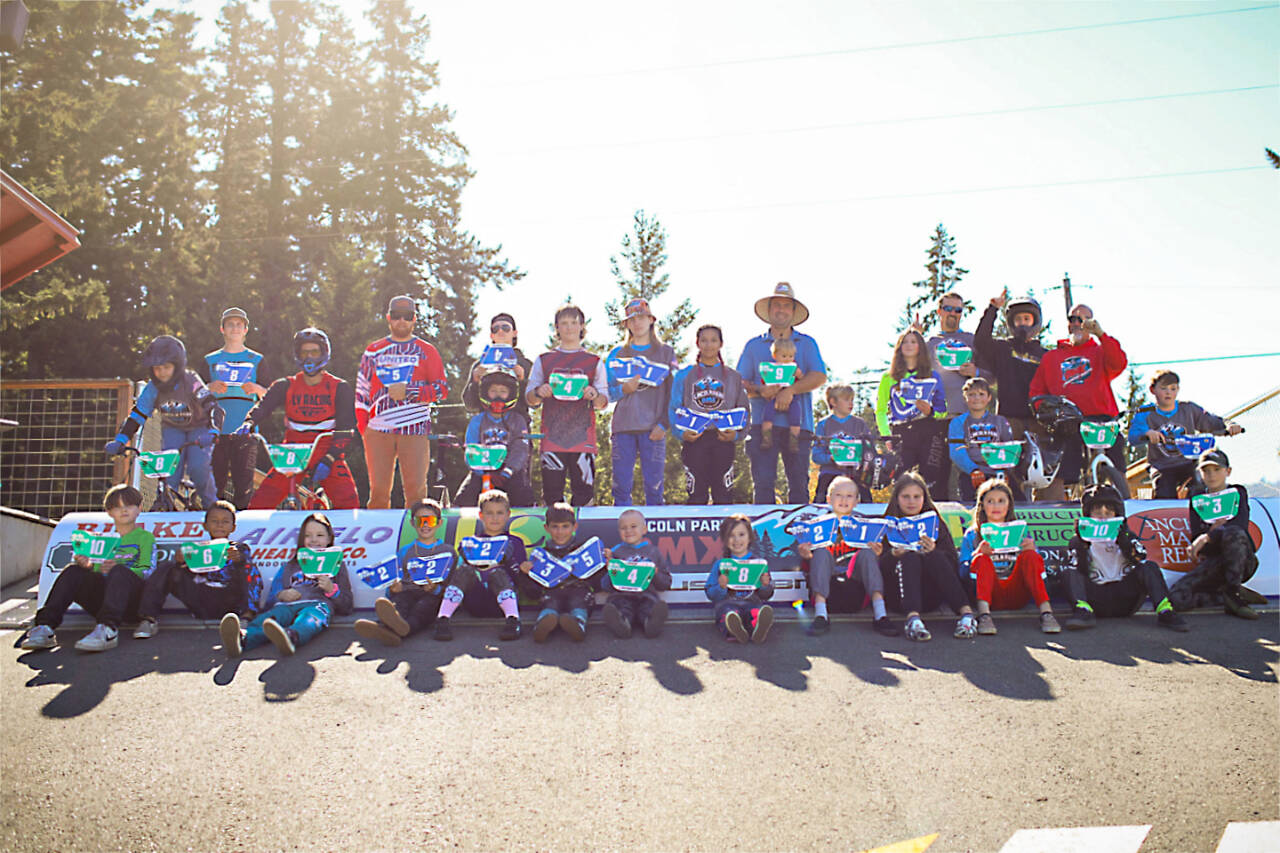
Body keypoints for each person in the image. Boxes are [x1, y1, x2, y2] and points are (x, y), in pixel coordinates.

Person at [21, 485, 155, 652]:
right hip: (104, 600)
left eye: (129, 505)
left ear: (139, 508)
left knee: (119, 571)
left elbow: (148, 571)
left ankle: (107, 630)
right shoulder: (100, 539)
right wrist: (89, 566)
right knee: (74, 570)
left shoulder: (145, 537)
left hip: (132, 603)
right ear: (109, 512)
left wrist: (118, 568)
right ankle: (45, 628)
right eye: (117, 506)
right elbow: (95, 573)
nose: (124, 510)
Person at [241, 327, 359, 510]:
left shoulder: (339, 387)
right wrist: (249, 422)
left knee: (348, 501)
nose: (309, 358)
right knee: (261, 501)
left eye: (314, 352)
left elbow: (346, 428)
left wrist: (330, 458)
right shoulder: (285, 385)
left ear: (324, 353)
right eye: (304, 353)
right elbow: (263, 407)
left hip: (326, 450)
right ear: (297, 355)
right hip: (292, 451)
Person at [104, 335, 224, 508]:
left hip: (199, 428)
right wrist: (121, 440)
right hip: (173, 428)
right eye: (157, 368)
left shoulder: (191, 380)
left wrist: (213, 431)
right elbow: (137, 415)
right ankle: (165, 504)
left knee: (198, 467)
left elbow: (213, 407)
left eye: (166, 367)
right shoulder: (153, 388)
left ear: (177, 366)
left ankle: (211, 506)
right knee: (168, 471)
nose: (161, 373)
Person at [736, 282, 828, 504]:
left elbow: (819, 376)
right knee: (763, 484)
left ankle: (800, 527)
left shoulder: (807, 343)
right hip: (761, 425)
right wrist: (761, 390)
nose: (781, 310)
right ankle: (763, 527)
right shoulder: (754, 345)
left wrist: (791, 391)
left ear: (794, 312)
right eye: (776, 304)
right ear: (769, 310)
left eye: (787, 305)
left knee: (799, 485)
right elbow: (739, 382)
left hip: (799, 425)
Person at [356, 295, 449, 509]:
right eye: (397, 316)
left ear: (414, 319)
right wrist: (364, 429)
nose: (401, 321)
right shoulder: (373, 350)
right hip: (378, 430)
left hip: (414, 428)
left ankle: (417, 530)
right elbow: (361, 392)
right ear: (388, 318)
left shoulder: (427, 350)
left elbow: (441, 390)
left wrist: (410, 392)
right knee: (378, 493)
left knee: (416, 492)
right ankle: (378, 531)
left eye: (407, 316)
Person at [1028, 303, 1127, 499]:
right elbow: (1037, 390)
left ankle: (1125, 503)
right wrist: (1044, 411)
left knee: (1116, 458)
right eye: (1073, 319)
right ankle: (1056, 508)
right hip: (1067, 419)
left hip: (1101, 418)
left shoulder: (1100, 351)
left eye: (1084, 320)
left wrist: (1101, 335)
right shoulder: (1052, 357)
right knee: (1061, 463)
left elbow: (1119, 363)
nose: (1078, 323)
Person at [219, 512, 353, 657]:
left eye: (320, 535)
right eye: (308, 535)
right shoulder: (290, 565)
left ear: (329, 539)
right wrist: (281, 595)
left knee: (310, 618)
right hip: (287, 606)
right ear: (302, 539)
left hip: (317, 604)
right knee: (271, 618)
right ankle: (243, 638)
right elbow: (272, 596)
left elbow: (347, 606)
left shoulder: (336, 565)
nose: (314, 540)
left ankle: (291, 637)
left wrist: (332, 590)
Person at [1060, 485, 1189, 632]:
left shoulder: (1127, 535)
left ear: (1117, 513)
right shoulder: (1077, 541)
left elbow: (1140, 557)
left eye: (1108, 512)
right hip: (1096, 600)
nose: (1103, 516)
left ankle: (1165, 611)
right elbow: (1078, 569)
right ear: (1088, 514)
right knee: (1067, 571)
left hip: (1125, 598)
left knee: (1149, 566)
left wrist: (1124, 541)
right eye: (1097, 512)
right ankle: (1082, 610)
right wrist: (1082, 543)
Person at [132, 500, 262, 638]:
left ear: (233, 527)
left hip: (230, 603)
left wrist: (238, 559)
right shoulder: (196, 549)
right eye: (214, 521)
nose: (219, 525)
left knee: (249, 566)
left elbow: (245, 564)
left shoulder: (239, 548)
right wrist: (181, 561)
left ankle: (247, 619)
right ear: (205, 525)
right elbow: (185, 574)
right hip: (202, 599)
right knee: (168, 567)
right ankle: (148, 620)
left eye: (225, 522)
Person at [878, 472, 978, 641]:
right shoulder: (887, 524)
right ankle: (913, 621)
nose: (911, 501)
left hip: (932, 595)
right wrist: (893, 555)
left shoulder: (935, 523)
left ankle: (967, 615)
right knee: (910, 557)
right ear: (897, 498)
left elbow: (952, 563)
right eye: (906, 497)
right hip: (899, 596)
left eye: (917, 497)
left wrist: (933, 550)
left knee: (935, 555)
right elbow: (879, 568)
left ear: (924, 498)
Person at [525, 304, 609, 507]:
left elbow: (603, 403)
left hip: (583, 439)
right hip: (552, 438)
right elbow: (529, 399)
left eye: (574, 322)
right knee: (552, 495)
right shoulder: (544, 360)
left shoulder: (594, 361)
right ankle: (554, 529)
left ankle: (582, 529)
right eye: (564, 323)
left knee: (584, 495)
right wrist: (539, 392)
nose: (569, 327)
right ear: (557, 328)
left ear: (582, 326)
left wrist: (594, 394)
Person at [795, 476, 898, 637]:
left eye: (849, 496)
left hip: (855, 592)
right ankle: (820, 616)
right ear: (829, 499)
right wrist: (807, 557)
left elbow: (874, 564)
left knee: (867, 553)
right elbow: (808, 568)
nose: (844, 500)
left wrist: (877, 555)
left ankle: (880, 614)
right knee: (821, 552)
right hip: (828, 592)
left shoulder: (864, 527)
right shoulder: (817, 526)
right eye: (839, 495)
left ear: (857, 501)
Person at [1168, 449, 1264, 619]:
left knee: (1233, 534)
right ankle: (1225, 595)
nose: (1211, 475)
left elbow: (1238, 526)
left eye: (1217, 469)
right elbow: (1198, 542)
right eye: (1206, 471)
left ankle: (1234, 596)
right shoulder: (1198, 498)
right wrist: (1209, 536)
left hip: (1243, 561)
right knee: (1176, 599)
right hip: (1216, 562)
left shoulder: (1237, 492)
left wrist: (1209, 536)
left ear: (1228, 471)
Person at [960, 480, 1060, 635]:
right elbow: (962, 572)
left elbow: (1039, 567)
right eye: (990, 501)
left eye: (1001, 501)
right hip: (987, 593)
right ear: (982, 506)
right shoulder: (972, 534)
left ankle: (1047, 613)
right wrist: (977, 553)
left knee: (1031, 556)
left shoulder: (1020, 531)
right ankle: (984, 616)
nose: (996, 506)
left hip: (1016, 592)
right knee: (981, 559)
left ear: (1009, 505)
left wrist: (1033, 550)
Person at [606, 298, 677, 506]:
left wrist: (664, 423)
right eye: (632, 319)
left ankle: (655, 525)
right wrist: (623, 390)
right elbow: (606, 393)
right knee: (621, 487)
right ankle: (621, 524)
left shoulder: (666, 353)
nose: (637, 323)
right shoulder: (617, 354)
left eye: (641, 318)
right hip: (623, 427)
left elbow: (674, 392)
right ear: (626, 324)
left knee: (655, 487)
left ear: (651, 320)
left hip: (653, 429)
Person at [1128, 369, 1241, 499]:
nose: (1168, 392)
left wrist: (1229, 426)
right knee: (1164, 491)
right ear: (1153, 390)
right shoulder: (1146, 412)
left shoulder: (1188, 409)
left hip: (1189, 463)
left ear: (1178, 390)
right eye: (1163, 388)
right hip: (1161, 465)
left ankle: (1202, 509)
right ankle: (1168, 510)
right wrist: (1147, 432)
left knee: (1199, 485)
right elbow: (1133, 435)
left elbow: (1210, 421)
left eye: (1173, 388)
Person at [354, 499, 453, 646]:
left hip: (432, 596)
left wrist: (436, 589)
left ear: (439, 523)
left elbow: (452, 586)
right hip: (407, 592)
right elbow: (395, 579)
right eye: (420, 521)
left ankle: (394, 629)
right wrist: (393, 589)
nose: (425, 525)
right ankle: (389, 628)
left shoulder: (448, 551)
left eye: (430, 521)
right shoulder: (405, 551)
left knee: (424, 607)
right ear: (412, 523)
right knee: (400, 602)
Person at [670, 324, 749, 505]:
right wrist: (681, 433)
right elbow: (674, 408)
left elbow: (744, 410)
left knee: (724, 493)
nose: (709, 345)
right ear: (697, 343)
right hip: (695, 438)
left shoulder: (733, 377)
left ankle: (726, 523)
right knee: (696, 493)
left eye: (713, 340)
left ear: (721, 344)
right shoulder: (684, 375)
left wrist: (736, 435)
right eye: (704, 340)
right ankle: (696, 524)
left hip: (723, 438)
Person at [928, 292, 990, 498]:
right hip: (938, 418)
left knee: (972, 474)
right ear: (939, 311)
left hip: (969, 419)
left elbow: (993, 377)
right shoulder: (930, 343)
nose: (953, 313)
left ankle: (975, 512)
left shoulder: (972, 341)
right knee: (937, 476)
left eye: (958, 310)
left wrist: (976, 372)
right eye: (948, 308)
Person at [204, 307, 267, 508]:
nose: (235, 328)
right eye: (230, 324)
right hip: (215, 431)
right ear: (222, 329)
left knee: (244, 487)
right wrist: (209, 387)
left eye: (239, 325)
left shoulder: (257, 360)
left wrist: (257, 388)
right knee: (214, 486)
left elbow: (271, 395)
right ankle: (213, 524)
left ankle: (241, 525)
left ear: (246, 329)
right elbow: (193, 393)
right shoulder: (210, 360)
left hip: (245, 430)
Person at [875, 328, 948, 498]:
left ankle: (930, 510)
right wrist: (886, 436)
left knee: (930, 479)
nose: (909, 345)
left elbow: (943, 410)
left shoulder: (933, 376)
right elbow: (880, 410)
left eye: (913, 342)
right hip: (901, 433)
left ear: (920, 347)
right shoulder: (888, 377)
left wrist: (930, 411)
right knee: (901, 479)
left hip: (928, 430)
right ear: (899, 347)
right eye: (905, 342)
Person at [971, 289, 1046, 437]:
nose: (1022, 323)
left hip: (1038, 420)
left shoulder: (1044, 355)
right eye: (1018, 319)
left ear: (1035, 321)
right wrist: (992, 309)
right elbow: (981, 341)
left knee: (1040, 453)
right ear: (1012, 323)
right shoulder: (1002, 349)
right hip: (1008, 419)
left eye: (1027, 319)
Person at [520, 503, 597, 642]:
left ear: (574, 527)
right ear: (546, 528)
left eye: (565, 526)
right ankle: (542, 624)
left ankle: (578, 624)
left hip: (579, 590)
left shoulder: (583, 550)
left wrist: (605, 562)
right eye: (555, 526)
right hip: (552, 591)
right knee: (550, 603)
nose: (560, 532)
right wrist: (525, 573)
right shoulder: (541, 555)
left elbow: (597, 580)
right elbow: (532, 592)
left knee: (579, 601)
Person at [455, 371, 534, 507]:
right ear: (486, 393)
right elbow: (470, 448)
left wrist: (508, 471)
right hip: (481, 469)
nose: (498, 395)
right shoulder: (477, 420)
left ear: (511, 394)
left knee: (523, 496)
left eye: (503, 391)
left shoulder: (518, 420)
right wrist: (483, 472)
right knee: (464, 498)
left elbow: (520, 449)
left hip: (510, 471)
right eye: (493, 391)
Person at [601, 509, 672, 639]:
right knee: (620, 606)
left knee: (649, 606)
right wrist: (611, 570)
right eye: (623, 528)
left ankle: (651, 624)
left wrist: (655, 573)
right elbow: (605, 585)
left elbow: (666, 583)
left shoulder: (653, 552)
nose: (628, 530)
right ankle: (622, 624)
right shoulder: (615, 552)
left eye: (633, 526)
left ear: (644, 529)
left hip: (646, 594)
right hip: (622, 594)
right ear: (619, 531)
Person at [705, 514, 775, 643]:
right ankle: (734, 630)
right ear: (725, 540)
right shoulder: (721, 564)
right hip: (727, 603)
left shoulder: (759, 564)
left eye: (741, 534)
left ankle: (758, 628)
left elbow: (767, 594)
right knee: (729, 614)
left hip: (752, 602)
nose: (736, 540)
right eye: (731, 535)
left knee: (756, 612)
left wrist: (765, 585)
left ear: (750, 537)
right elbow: (710, 593)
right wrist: (720, 587)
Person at [947, 377, 1017, 503]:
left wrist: (1004, 470)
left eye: (981, 394)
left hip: (999, 473)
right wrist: (973, 470)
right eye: (971, 394)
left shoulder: (1000, 421)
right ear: (965, 398)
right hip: (971, 474)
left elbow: (1009, 449)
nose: (977, 398)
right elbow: (956, 451)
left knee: (1019, 502)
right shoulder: (957, 422)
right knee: (972, 505)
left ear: (989, 397)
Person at [462, 312, 533, 418]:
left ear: (514, 333)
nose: (500, 331)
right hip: (486, 424)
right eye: (495, 329)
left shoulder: (525, 364)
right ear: (491, 335)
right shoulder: (481, 364)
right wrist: (475, 382)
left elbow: (535, 404)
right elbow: (469, 405)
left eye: (505, 328)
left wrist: (522, 381)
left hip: (518, 424)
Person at [812, 384, 874, 503]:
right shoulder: (823, 424)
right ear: (833, 402)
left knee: (865, 494)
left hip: (856, 472)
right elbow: (816, 455)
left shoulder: (860, 424)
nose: (851, 403)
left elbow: (870, 449)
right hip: (830, 472)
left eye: (852, 400)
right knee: (821, 495)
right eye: (846, 400)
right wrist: (831, 458)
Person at [758, 337, 806, 453]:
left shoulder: (794, 368)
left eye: (791, 356)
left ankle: (794, 440)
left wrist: (799, 375)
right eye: (784, 356)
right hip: (774, 396)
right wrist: (768, 388)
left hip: (792, 398)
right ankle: (766, 438)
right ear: (775, 355)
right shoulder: (771, 368)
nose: (788, 359)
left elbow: (802, 383)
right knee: (767, 415)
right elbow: (765, 382)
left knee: (796, 417)